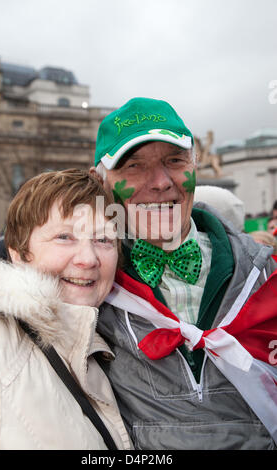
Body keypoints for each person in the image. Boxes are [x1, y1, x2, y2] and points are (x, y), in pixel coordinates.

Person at [90, 97, 277, 450]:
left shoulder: (265, 272)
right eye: (133, 165)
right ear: (99, 182)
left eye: (174, 161)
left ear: (194, 165)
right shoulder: (86, 285)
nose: (160, 182)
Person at [0, 169, 132, 450]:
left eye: (103, 240)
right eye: (64, 237)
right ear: (19, 252)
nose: (88, 259)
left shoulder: (104, 347)